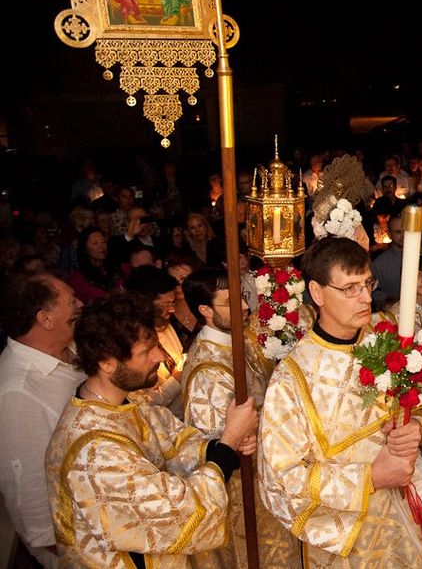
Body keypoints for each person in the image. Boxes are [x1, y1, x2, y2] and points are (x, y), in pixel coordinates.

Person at [258, 237, 422, 566]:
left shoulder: (387, 331)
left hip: (408, 521)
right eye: (350, 288)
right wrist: (370, 478)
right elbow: (281, 481)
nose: (365, 297)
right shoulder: (292, 379)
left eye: (367, 283)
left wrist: (418, 426)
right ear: (317, 293)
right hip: (350, 545)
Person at [45, 293, 259, 567]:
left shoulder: (127, 403)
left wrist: (220, 445)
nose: (160, 356)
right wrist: (229, 444)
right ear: (106, 362)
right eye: (146, 351)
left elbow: (172, 441)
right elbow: (175, 512)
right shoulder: (93, 453)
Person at [181, 266, 299, 568]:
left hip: (269, 483)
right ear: (205, 310)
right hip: (246, 496)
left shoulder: (236, 335)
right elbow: (226, 446)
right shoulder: (209, 372)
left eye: (243, 297)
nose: (245, 307)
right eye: (231, 303)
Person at [0, 274, 84, 568]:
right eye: (72, 301)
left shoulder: (70, 351)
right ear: (45, 319)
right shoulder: (17, 392)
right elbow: (30, 493)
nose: (81, 304)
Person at [124, 265, 186, 417]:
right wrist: (176, 380)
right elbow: (142, 405)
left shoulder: (165, 325)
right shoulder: (130, 341)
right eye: (166, 304)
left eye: (173, 303)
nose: (172, 310)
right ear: (144, 303)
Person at [69, 226, 124, 304]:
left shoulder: (118, 268)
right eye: (95, 243)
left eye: (103, 242)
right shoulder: (78, 278)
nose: (101, 246)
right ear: (84, 249)